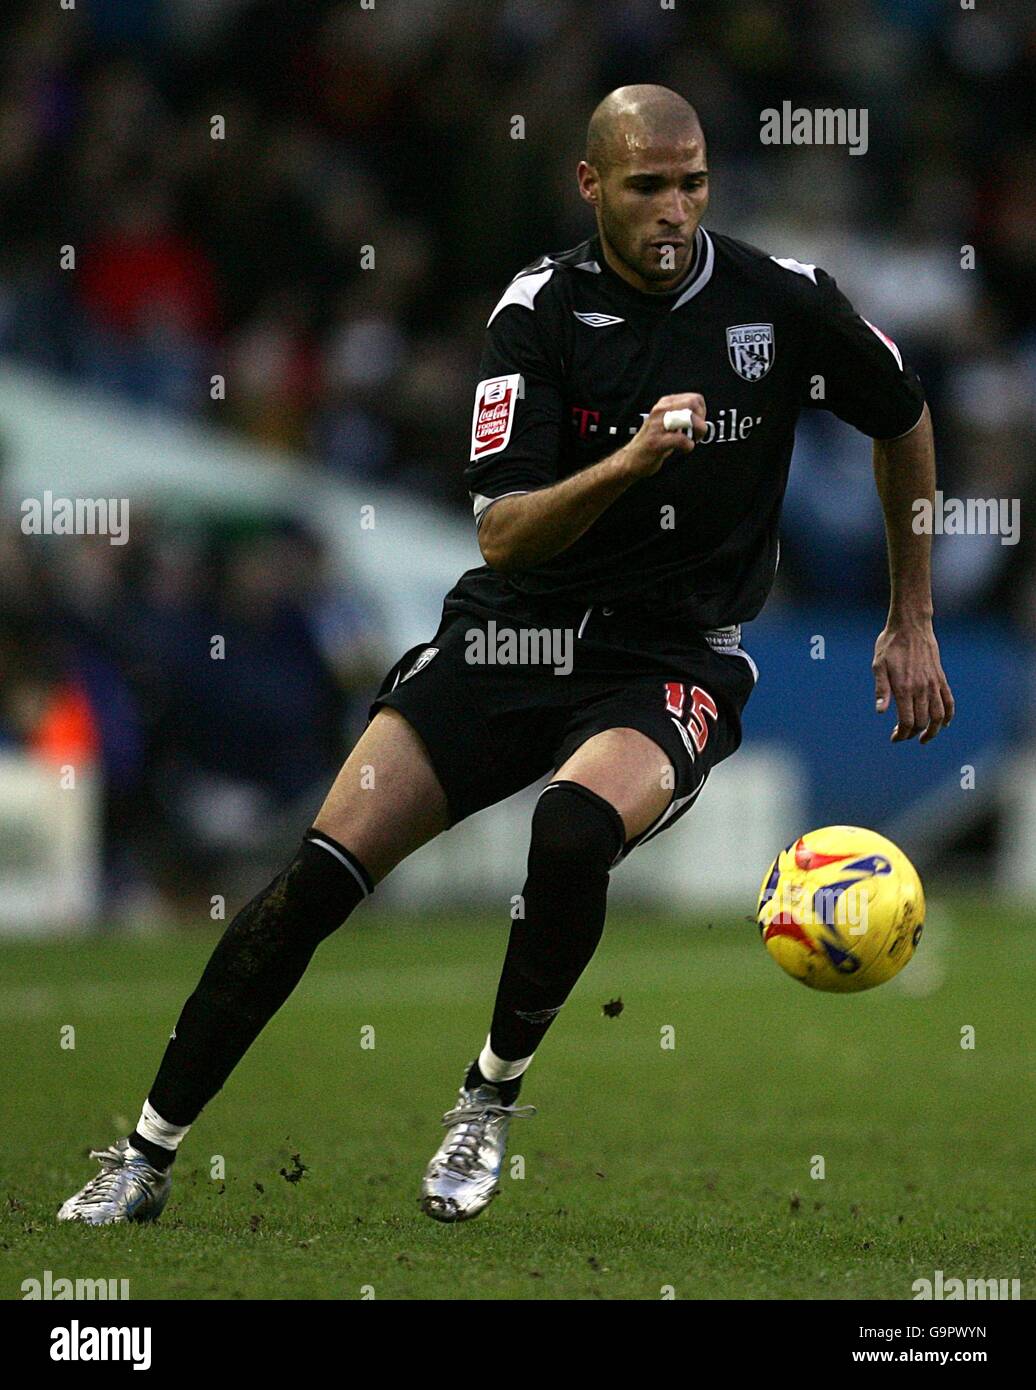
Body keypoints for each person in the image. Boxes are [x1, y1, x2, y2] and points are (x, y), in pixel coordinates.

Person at [59, 85, 954, 1227]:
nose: (673, 209)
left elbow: (902, 414)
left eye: (690, 184)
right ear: (590, 185)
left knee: (572, 827)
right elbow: (502, 526)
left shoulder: (775, 304)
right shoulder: (535, 311)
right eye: (645, 187)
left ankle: (485, 1099)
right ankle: (145, 1153)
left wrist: (909, 613)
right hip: (508, 632)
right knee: (317, 877)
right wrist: (626, 465)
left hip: (671, 654)